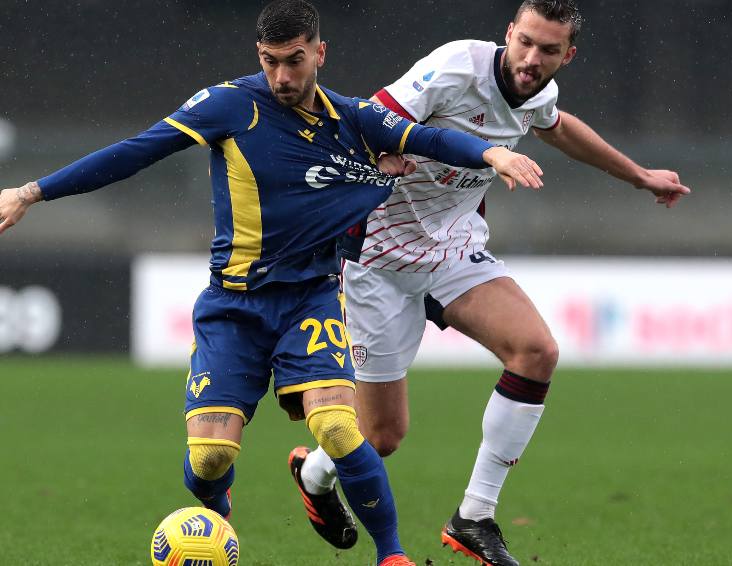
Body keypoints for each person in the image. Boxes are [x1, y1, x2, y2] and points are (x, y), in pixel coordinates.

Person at [0, 2, 549, 565]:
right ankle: (216, 505)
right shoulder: (228, 106)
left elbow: (426, 140)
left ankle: (392, 555)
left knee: (338, 426)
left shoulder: (352, 116)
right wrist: (30, 192)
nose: (283, 77)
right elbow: (133, 153)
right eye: (270, 62)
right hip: (234, 305)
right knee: (211, 458)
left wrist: (491, 152)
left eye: (295, 60)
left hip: (310, 298)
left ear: (319, 53)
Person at [290, 1, 692, 565]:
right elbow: (371, 118)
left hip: (453, 250)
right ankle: (313, 475)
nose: (531, 59)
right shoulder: (457, 66)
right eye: (525, 42)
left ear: (567, 56)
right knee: (381, 437)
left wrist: (639, 176)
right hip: (376, 258)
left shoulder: (537, 93)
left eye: (548, 50)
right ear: (510, 33)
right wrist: (384, 155)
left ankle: (474, 515)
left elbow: (558, 127)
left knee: (536, 351)